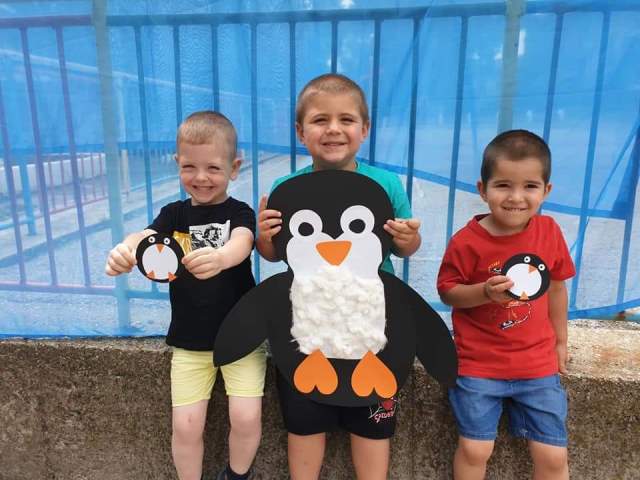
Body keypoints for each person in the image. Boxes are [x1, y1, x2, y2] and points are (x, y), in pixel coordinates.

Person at [257, 73, 421, 480]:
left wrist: (409, 239)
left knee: (372, 423)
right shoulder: (285, 187)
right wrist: (264, 238)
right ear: (300, 131)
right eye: (320, 120)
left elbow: (403, 249)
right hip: (307, 324)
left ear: (365, 129)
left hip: (372, 327)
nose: (333, 129)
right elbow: (275, 255)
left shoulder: (386, 184)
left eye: (346, 120)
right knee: (304, 420)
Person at [105, 111, 266, 480]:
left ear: (235, 168)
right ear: (178, 164)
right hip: (189, 342)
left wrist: (221, 257)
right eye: (189, 167)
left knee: (246, 417)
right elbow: (144, 237)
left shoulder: (239, 212)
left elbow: (243, 243)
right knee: (185, 425)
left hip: (242, 337)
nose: (201, 177)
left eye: (213, 167)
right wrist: (125, 250)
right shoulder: (173, 215)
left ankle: (236, 475)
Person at [437, 129, 574, 480]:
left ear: (546, 191)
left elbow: (557, 289)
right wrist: (484, 292)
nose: (516, 197)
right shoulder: (466, 242)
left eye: (530, 186)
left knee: (553, 455)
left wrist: (561, 342)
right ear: (483, 190)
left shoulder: (549, 232)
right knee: (475, 449)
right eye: (502, 185)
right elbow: (448, 292)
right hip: (478, 365)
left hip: (537, 365)